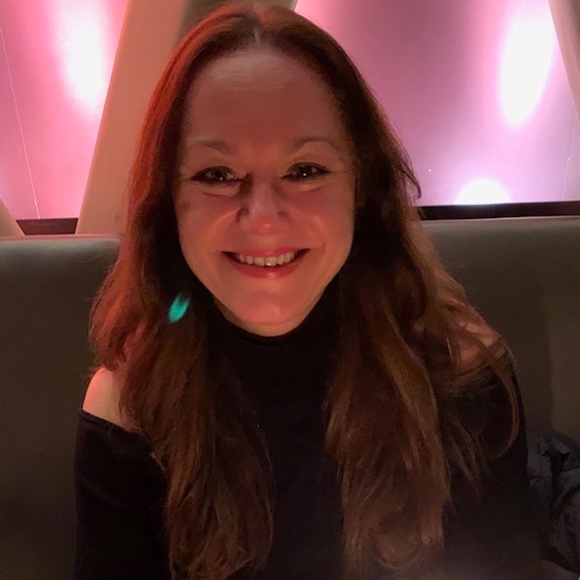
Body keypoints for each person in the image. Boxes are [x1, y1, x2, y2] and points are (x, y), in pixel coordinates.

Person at [74, 2, 542, 579]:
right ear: (169, 205)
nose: (263, 216)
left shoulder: (462, 373)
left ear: (362, 190)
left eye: (304, 170)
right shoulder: (128, 408)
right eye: (217, 175)